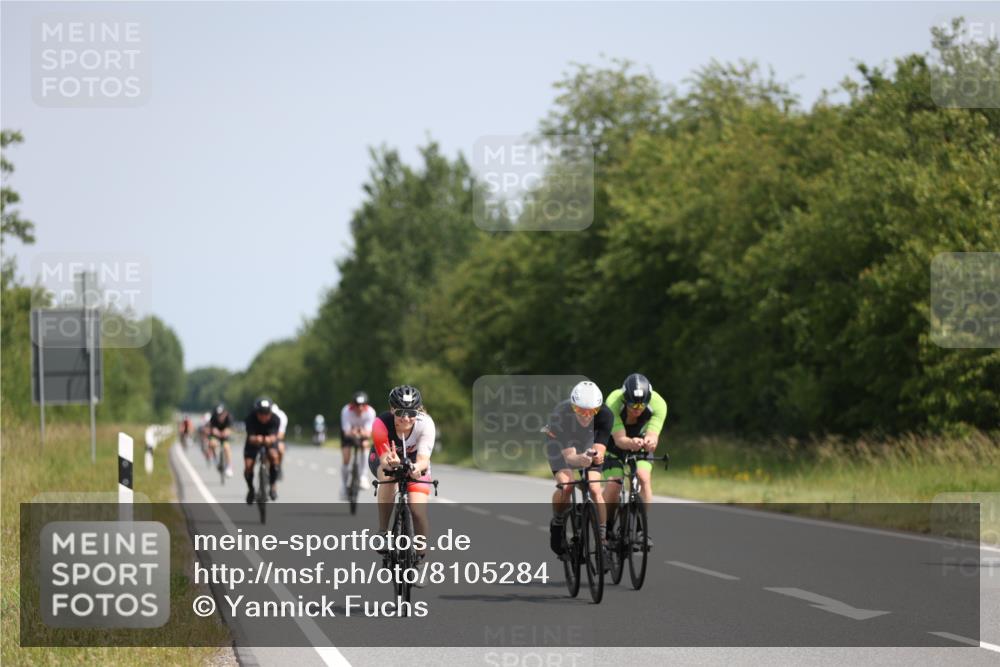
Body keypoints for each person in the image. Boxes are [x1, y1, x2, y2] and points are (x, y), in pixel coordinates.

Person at [544, 380, 613, 558]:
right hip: (560, 445)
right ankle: (558, 521)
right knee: (566, 486)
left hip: (587, 441)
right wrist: (580, 459)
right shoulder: (561, 414)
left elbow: (600, 449)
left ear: (599, 408)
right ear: (573, 406)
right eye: (581, 410)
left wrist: (596, 456)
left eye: (592, 411)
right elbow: (569, 457)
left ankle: (603, 540)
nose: (586, 415)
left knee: (595, 487)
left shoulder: (606, 414)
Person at [601, 373, 667, 544]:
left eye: (641, 404)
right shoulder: (613, 402)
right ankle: (607, 527)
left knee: (643, 478)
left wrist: (650, 441)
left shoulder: (658, 404)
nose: (637, 409)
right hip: (614, 445)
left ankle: (641, 528)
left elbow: (653, 435)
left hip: (640, 445)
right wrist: (631, 442)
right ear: (624, 399)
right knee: (614, 484)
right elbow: (620, 440)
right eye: (632, 404)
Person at [369, 385, 435, 555]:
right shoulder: (380, 423)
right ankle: (383, 531)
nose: (406, 419)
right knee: (388, 476)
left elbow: (423, 460)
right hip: (385, 459)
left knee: (418, 512)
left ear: (418, 412)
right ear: (392, 409)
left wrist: (415, 468)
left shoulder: (426, 423)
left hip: (414, 462)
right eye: (400, 413)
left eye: (411, 413)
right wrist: (392, 464)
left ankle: (420, 559)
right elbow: (384, 460)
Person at [244, 397, 281, 503]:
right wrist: (256, 438)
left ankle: (273, 485)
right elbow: (250, 436)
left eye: (267, 413)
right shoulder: (250, 418)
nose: (264, 416)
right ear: (256, 412)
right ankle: (251, 489)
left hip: (269, 442)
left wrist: (270, 439)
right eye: (261, 413)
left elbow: (275, 436)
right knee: (248, 466)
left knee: (274, 456)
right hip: (253, 442)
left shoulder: (275, 419)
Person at [340, 391, 376, 498]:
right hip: (348, 435)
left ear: (365, 405)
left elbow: (368, 433)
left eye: (362, 405)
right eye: (357, 405)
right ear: (352, 405)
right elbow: (346, 432)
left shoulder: (370, 412)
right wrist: (354, 432)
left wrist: (360, 432)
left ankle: (363, 476)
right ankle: (344, 484)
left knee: (365, 445)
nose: (359, 408)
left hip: (361, 434)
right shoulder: (346, 411)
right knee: (346, 457)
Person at [208, 404, 234, 477]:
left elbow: (230, 428)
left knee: (226, 447)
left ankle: (229, 467)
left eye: (221, 415)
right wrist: (215, 432)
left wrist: (226, 432)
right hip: (215, 434)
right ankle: (215, 459)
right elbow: (212, 428)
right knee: (212, 443)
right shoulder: (213, 417)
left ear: (225, 413)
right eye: (218, 415)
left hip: (225, 434)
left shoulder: (229, 417)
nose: (220, 417)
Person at [270, 401, 289, 477]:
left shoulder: (281, 416)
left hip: (276, 437)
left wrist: (273, 439)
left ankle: (278, 466)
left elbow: (281, 433)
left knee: (281, 450)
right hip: (265, 436)